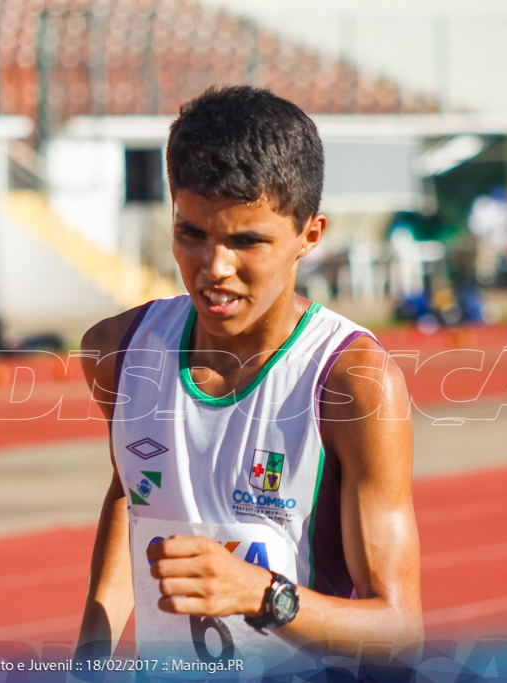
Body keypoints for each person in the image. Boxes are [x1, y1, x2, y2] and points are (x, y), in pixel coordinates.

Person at [77, 86, 422, 673]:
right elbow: (130, 492)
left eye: (246, 241)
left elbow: (399, 629)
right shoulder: (115, 352)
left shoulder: (352, 384)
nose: (215, 268)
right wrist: (92, 649)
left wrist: (265, 597)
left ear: (309, 236)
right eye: (192, 234)